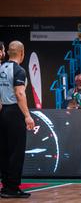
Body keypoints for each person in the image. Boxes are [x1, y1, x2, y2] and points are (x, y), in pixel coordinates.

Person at [0, 41, 35, 198]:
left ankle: (6, 186)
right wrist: (27, 116)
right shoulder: (19, 70)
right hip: (14, 112)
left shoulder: (1, 68)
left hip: (3, 111)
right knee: (16, 151)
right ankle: (12, 188)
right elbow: (20, 93)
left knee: (5, 151)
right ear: (22, 53)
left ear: (7, 52)